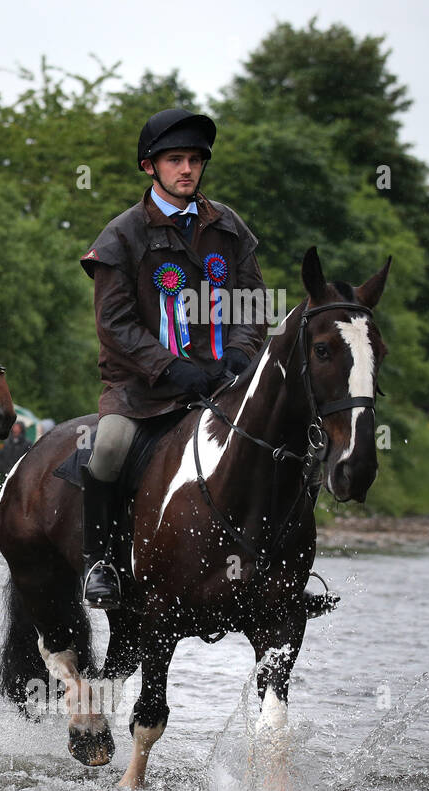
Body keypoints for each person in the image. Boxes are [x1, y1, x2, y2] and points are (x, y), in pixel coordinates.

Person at [77, 108, 269, 608]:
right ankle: (100, 563)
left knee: (282, 439)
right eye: (175, 160)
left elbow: (253, 304)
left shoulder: (229, 228)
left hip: (221, 384)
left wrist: (241, 356)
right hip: (142, 391)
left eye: (195, 161)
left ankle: (282, 568)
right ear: (150, 167)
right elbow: (115, 324)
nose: (187, 170)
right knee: (109, 449)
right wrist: (169, 366)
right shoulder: (122, 235)